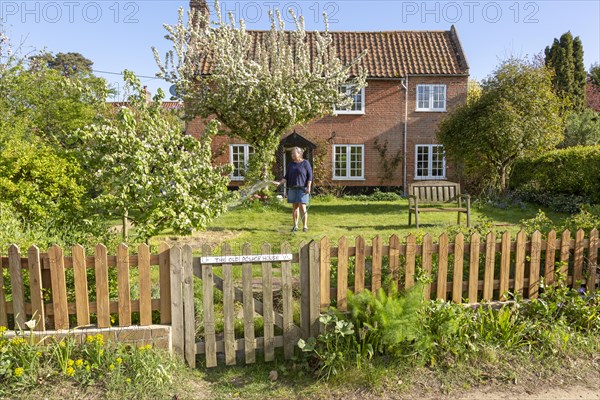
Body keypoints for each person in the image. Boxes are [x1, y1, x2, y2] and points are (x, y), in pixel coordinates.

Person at [274, 147, 313, 232]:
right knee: (295, 207)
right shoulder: (290, 165)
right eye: (291, 154)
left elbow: (310, 176)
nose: (292, 155)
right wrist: (279, 183)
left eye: (294, 153)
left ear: (299, 154)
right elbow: (286, 177)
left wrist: (309, 187)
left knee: (302, 207)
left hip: (302, 189)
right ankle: (295, 226)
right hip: (292, 188)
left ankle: (305, 226)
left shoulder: (305, 163)